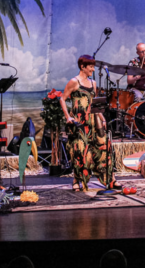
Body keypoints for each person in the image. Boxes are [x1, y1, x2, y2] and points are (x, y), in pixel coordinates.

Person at [60, 54, 121, 192]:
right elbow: (62, 99)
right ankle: (77, 180)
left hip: (94, 121)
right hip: (80, 123)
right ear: (83, 67)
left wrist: (102, 117)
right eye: (91, 67)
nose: (93, 70)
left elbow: (93, 103)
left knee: (104, 147)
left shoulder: (93, 83)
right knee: (80, 151)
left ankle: (110, 179)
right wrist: (68, 117)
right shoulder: (74, 82)